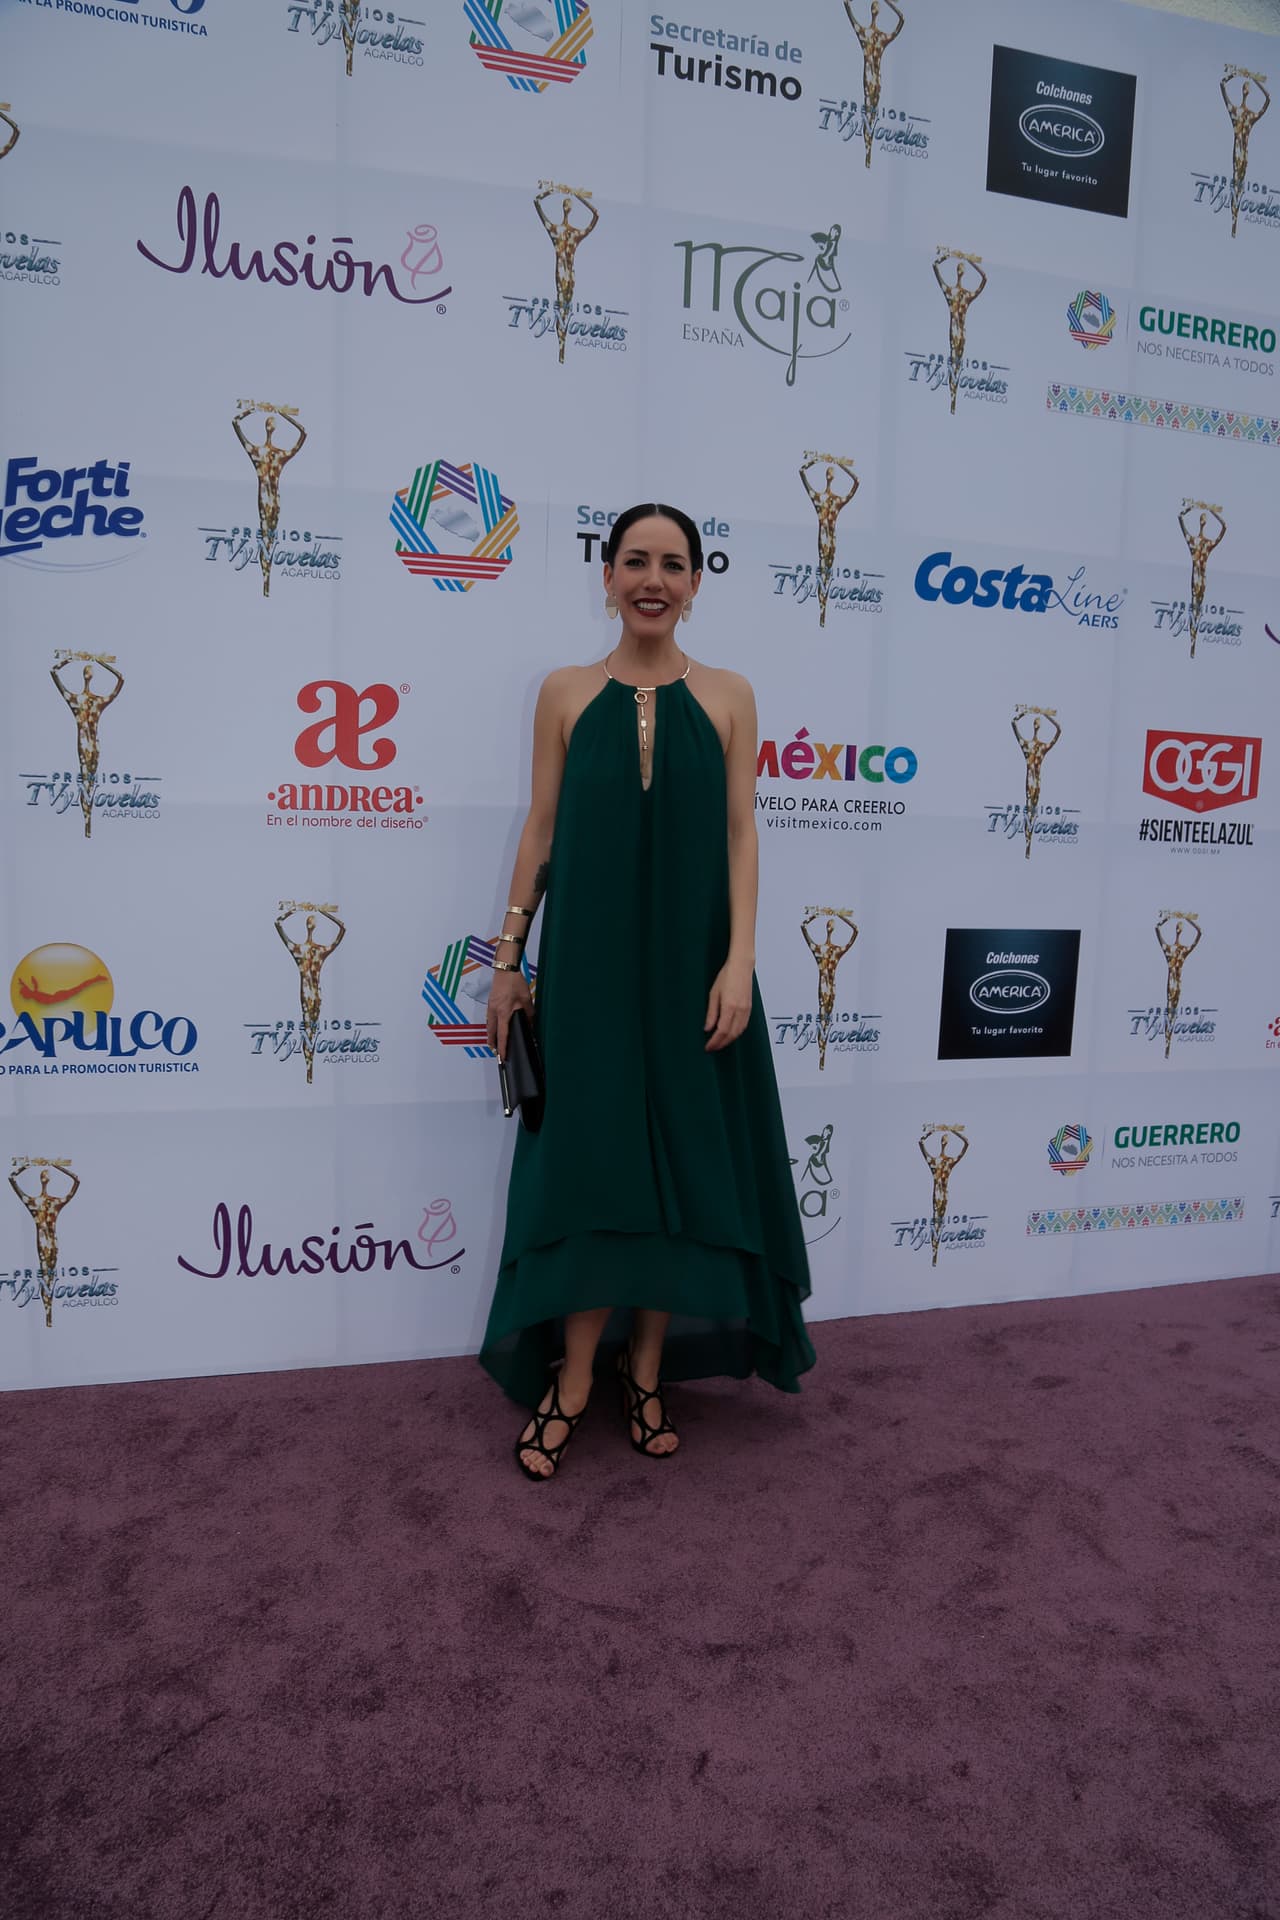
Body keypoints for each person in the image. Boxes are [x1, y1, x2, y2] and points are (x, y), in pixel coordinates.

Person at [479, 504, 816, 1478]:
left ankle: (646, 1367)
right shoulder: (562, 692)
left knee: (678, 1166)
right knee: (591, 1166)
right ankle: (573, 1377)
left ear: (697, 581)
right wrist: (509, 959)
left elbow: (741, 833)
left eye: (672, 563)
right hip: (583, 971)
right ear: (606, 574)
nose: (652, 579)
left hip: (691, 970)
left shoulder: (727, 696)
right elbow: (539, 832)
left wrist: (739, 958)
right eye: (635, 560)